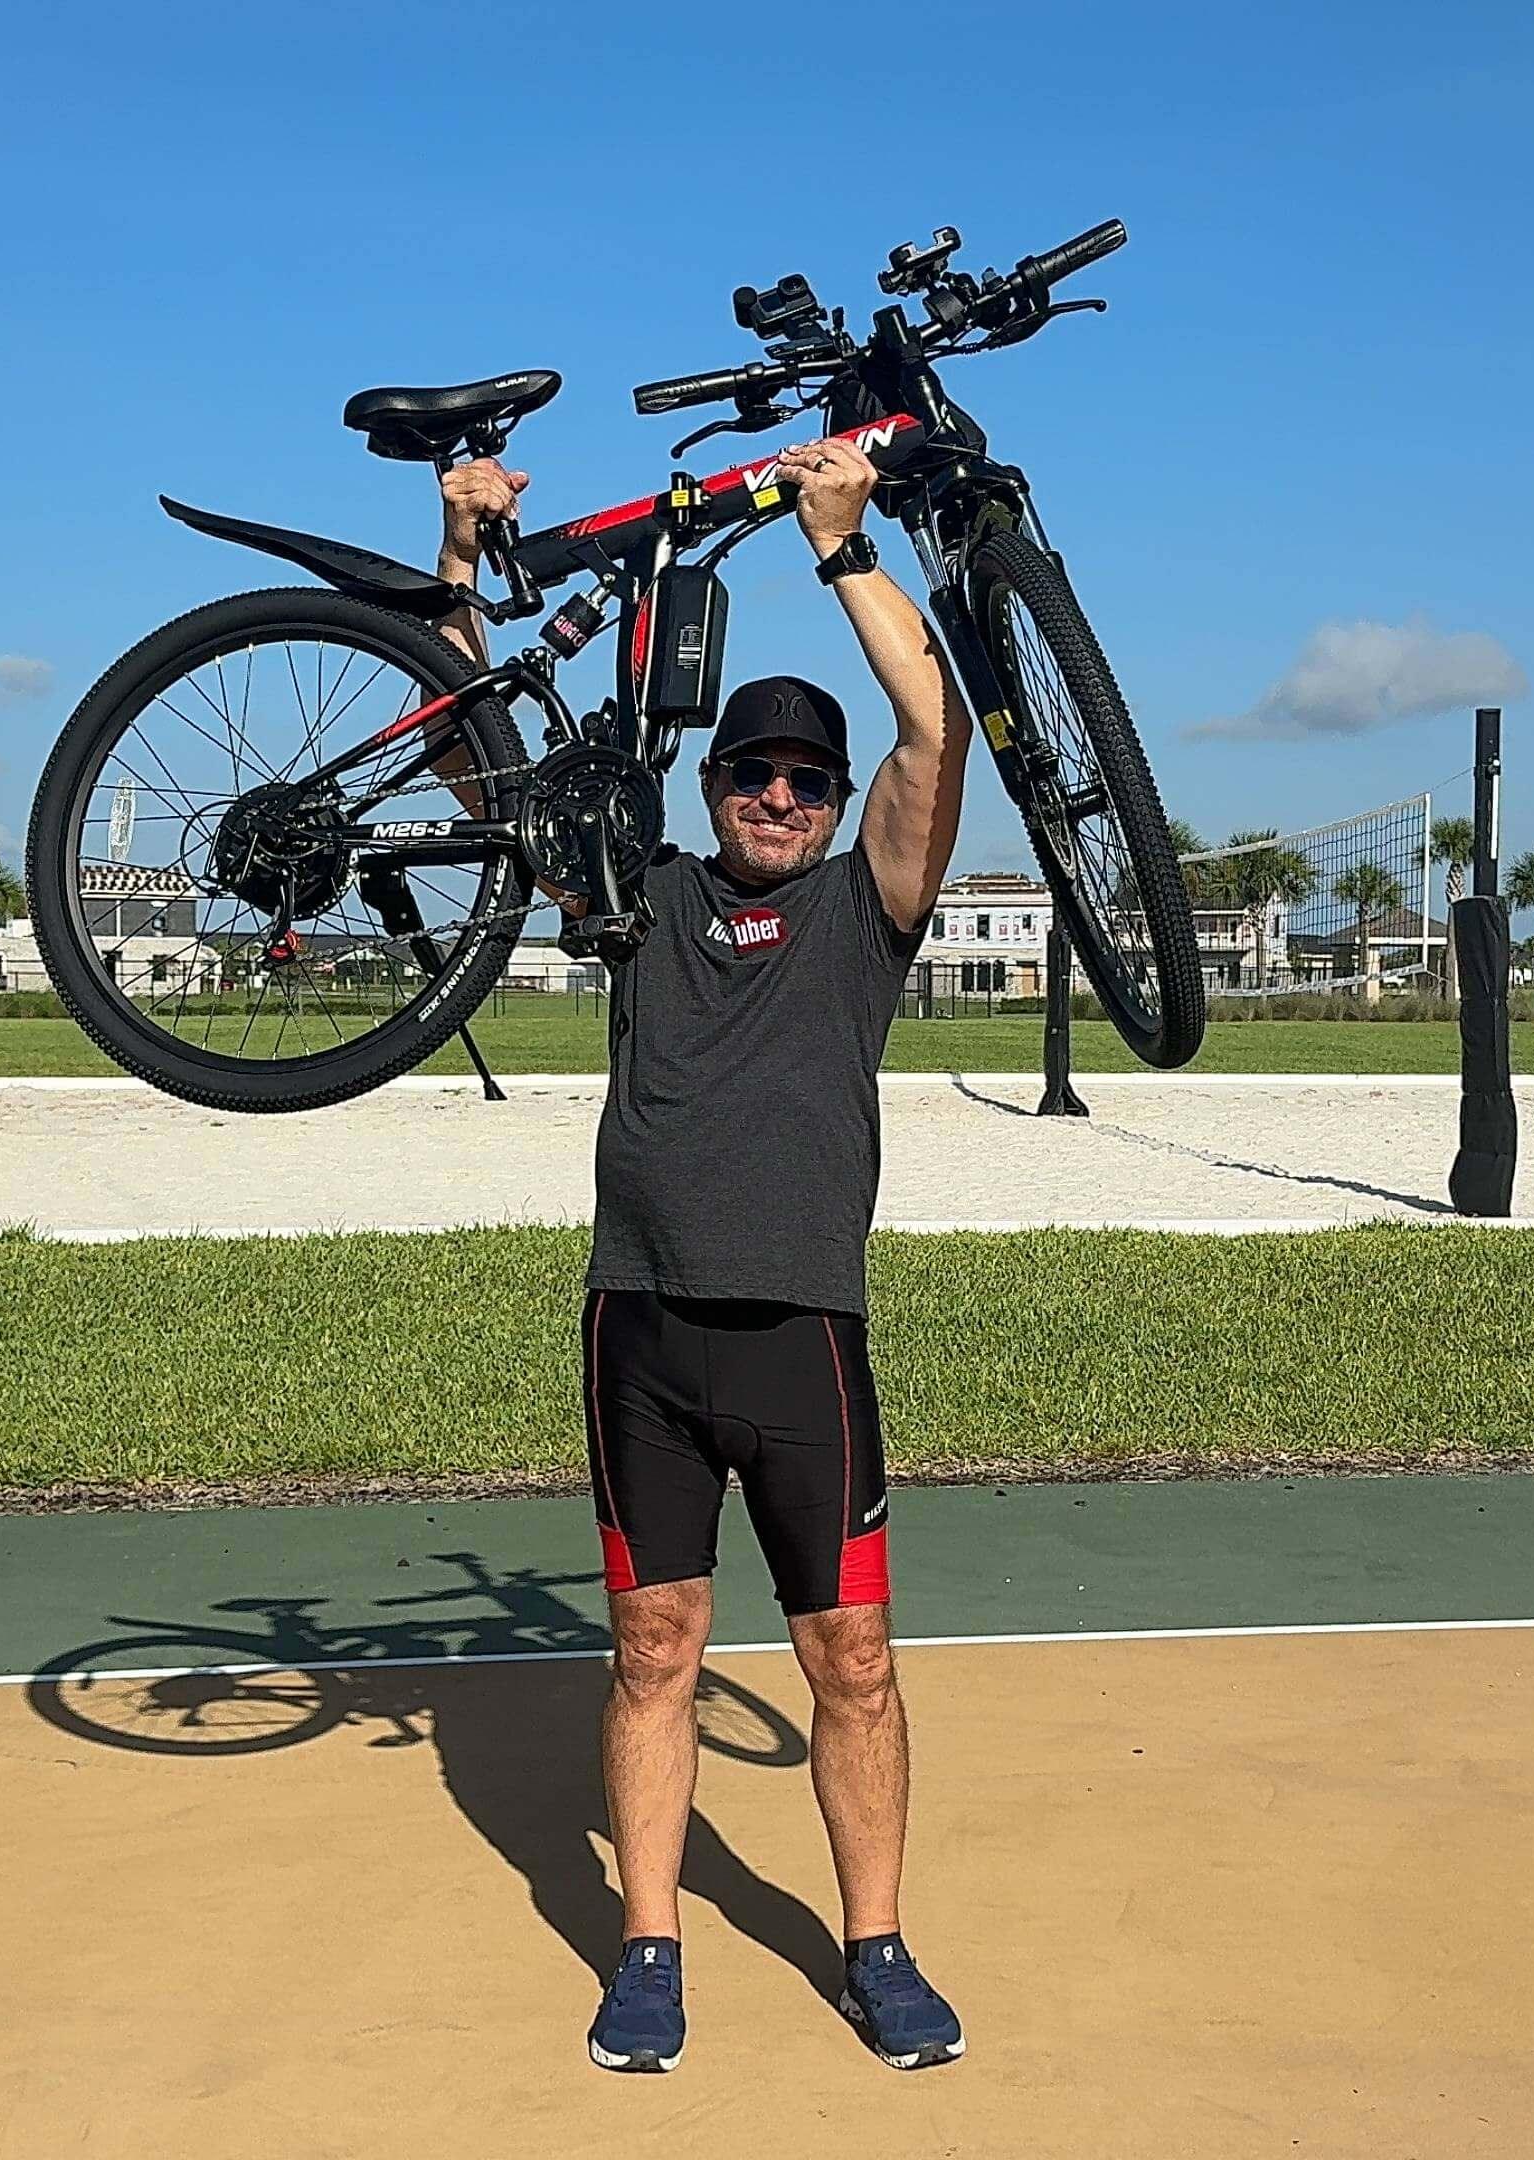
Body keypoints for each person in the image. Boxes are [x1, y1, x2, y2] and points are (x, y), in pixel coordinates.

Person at [434, 437, 971, 2073]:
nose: (781, 797)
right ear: (714, 784)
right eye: (754, 774)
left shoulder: (866, 912)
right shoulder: (639, 897)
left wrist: (843, 545)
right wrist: (456, 552)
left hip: (804, 1344)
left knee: (851, 1661)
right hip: (644, 1337)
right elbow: (474, 762)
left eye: (808, 779)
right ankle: (650, 1950)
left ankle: (877, 1947)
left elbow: (934, 731)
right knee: (655, 1647)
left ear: (835, 801)